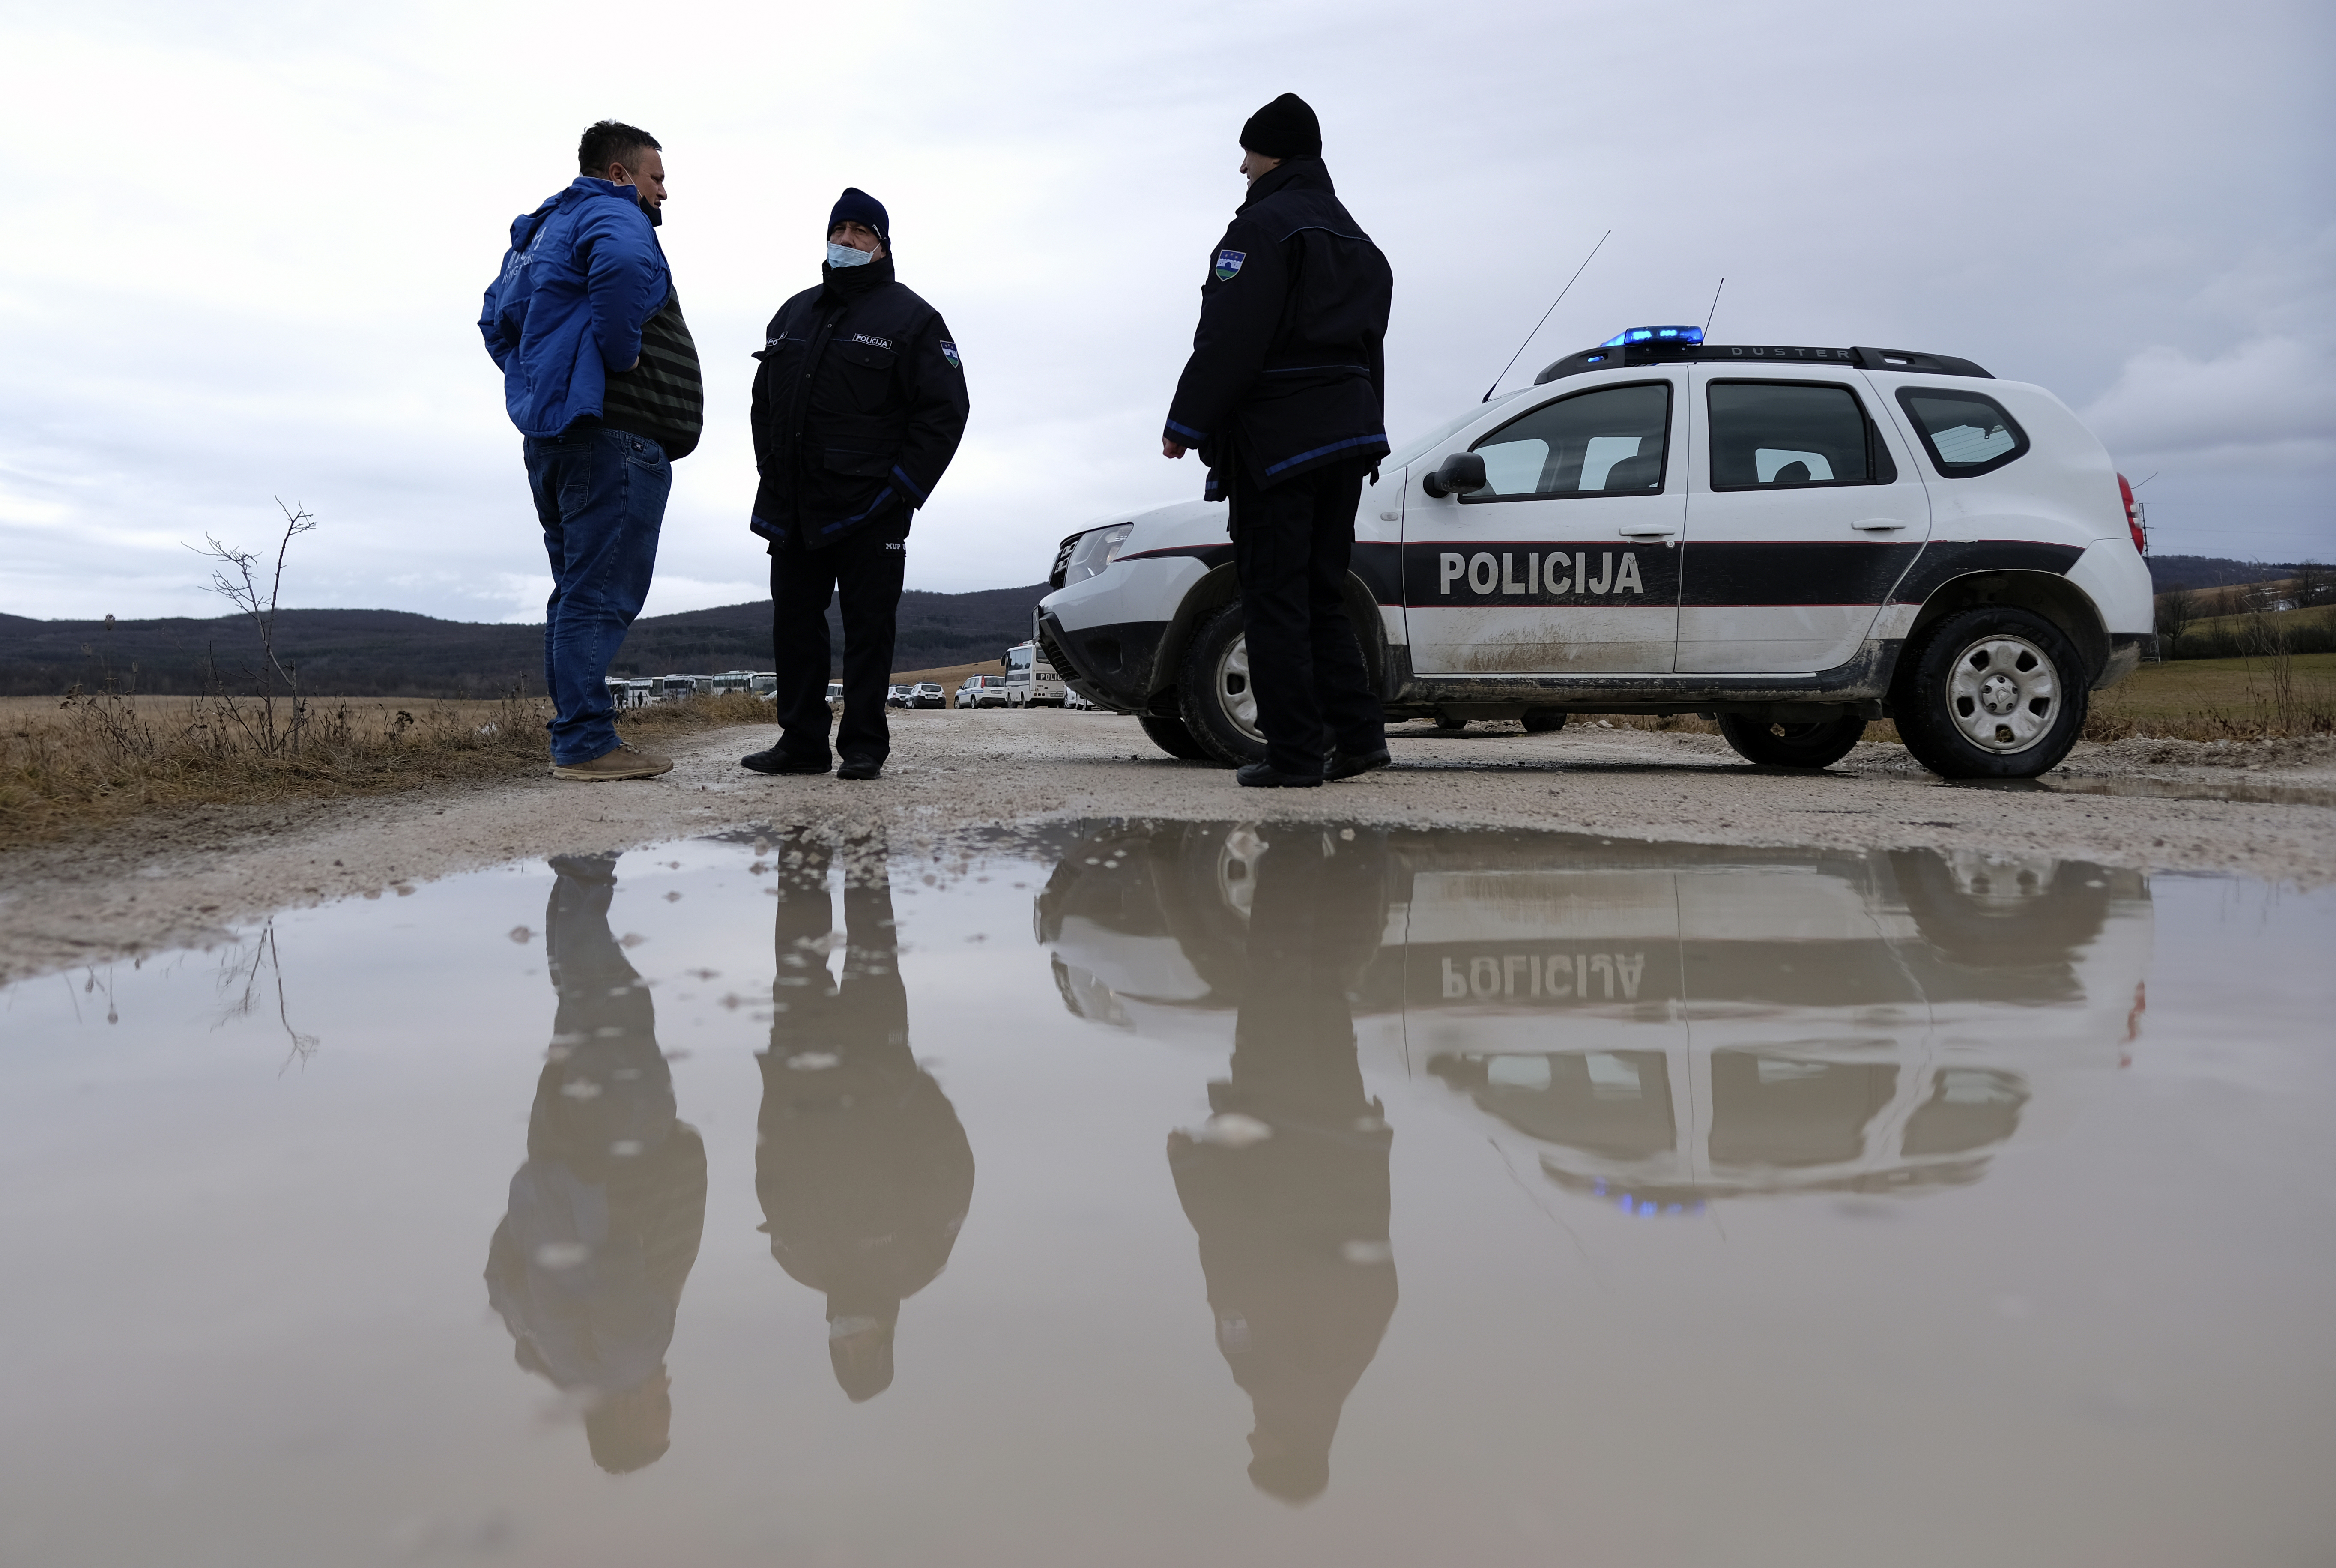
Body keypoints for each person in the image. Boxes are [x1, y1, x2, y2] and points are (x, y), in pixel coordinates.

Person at [1162, 93, 1394, 789]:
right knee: (1323, 592)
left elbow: (1232, 336)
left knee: (1274, 595)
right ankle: (1357, 737)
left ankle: (1293, 753)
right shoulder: (1359, 240)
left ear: (1277, 154)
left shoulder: (1261, 229)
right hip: (1348, 437)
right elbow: (1370, 349)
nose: (1241, 166)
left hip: (1281, 440)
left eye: (1249, 153)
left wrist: (1186, 422)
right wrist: (1370, 434)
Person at [1166, 828, 1398, 1502]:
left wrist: (1370, 1149)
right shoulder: (1273, 1372)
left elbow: (1374, 1263)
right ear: (1289, 1450)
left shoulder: (1338, 1365)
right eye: (1260, 1456)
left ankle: (1348, 862)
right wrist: (1194, 1168)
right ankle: (1294, 856)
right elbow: (1232, 1252)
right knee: (1274, 974)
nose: (1250, 1442)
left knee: (1319, 987)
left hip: (1332, 1127)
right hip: (1280, 1126)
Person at [478, 120, 702, 783]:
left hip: (556, 440)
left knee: (574, 593)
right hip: (611, 441)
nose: (664, 192)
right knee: (597, 596)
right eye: (656, 177)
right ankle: (584, 744)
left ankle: (577, 736)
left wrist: (538, 379)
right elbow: (628, 267)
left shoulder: (541, 232)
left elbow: (496, 320)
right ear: (619, 174)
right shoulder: (610, 212)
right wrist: (617, 350)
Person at [484, 853, 707, 1473]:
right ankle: (573, 879)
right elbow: (498, 1271)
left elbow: (623, 1270)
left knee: (615, 1001)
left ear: (630, 1417)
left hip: (621, 1155)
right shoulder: (541, 1351)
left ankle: (586, 870)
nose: (666, 1392)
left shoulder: (629, 1358)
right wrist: (543, 1197)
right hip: (552, 1152)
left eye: (661, 1409)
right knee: (579, 1008)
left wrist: (611, 1197)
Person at [743, 190, 971, 782]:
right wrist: (771, 468)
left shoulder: (914, 319)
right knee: (794, 623)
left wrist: (902, 487)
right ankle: (801, 742)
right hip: (794, 504)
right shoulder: (792, 315)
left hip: (873, 506)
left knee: (868, 629)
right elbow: (763, 402)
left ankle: (864, 745)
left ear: (881, 245)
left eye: (859, 233)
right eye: (837, 230)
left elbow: (944, 412)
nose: (845, 241)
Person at [754, 831, 976, 1400]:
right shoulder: (918, 1260)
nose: (849, 1338)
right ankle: (863, 842)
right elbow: (952, 1164)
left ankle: (799, 842)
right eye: (861, 1349)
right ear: (886, 1336)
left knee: (797, 944)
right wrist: (908, 1090)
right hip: (879, 1060)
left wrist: (776, 1088)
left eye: (843, 1351)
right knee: (873, 933)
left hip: (799, 1058)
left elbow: (769, 1166)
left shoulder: (798, 1260)